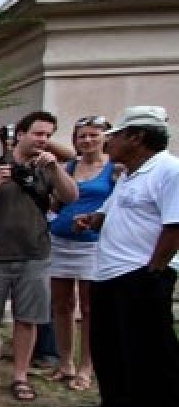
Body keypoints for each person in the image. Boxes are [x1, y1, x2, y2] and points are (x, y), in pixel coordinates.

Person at [0, 111, 78, 402]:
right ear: (20, 135)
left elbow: (71, 197)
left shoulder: (48, 169)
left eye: (48, 135)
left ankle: (20, 378)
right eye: (38, 134)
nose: (43, 140)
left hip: (34, 254)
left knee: (27, 320)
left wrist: (58, 169)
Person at [75, 106, 178, 407]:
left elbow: (174, 226)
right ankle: (117, 401)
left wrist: (155, 269)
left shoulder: (169, 171)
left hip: (142, 271)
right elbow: (112, 212)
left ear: (137, 137)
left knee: (150, 344)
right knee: (108, 340)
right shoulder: (129, 174)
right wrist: (93, 219)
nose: (109, 141)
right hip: (109, 270)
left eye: (116, 135)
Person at [46, 115, 116, 392]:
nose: (87, 140)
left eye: (93, 135)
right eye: (82, 136)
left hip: (93, 242)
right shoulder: (69, 166)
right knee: (62, 305)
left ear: (105, 138)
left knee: (89, 307)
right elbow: (56, 200)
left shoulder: (114, 169)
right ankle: (65, 363)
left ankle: (87, 366)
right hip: (61, 239)